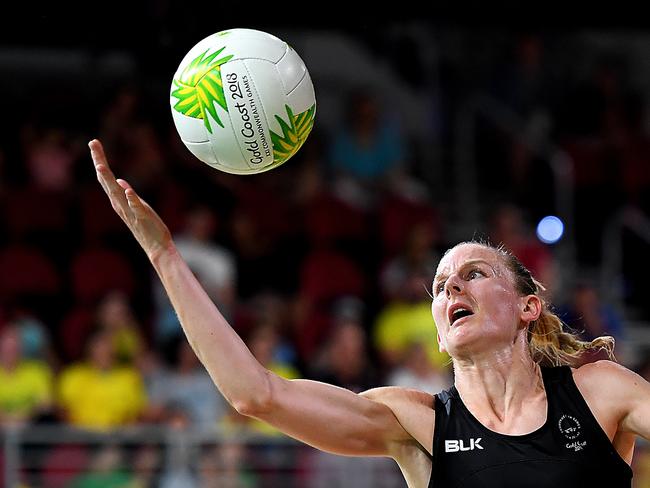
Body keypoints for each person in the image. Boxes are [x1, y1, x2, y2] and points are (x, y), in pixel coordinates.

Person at [90, 139, 650, 487]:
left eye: (474, 273)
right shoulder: (416, 423)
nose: (451, 284)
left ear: (529, 306)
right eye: (438, 285)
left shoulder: (599, 392)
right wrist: (163, 255)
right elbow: (255, 394)